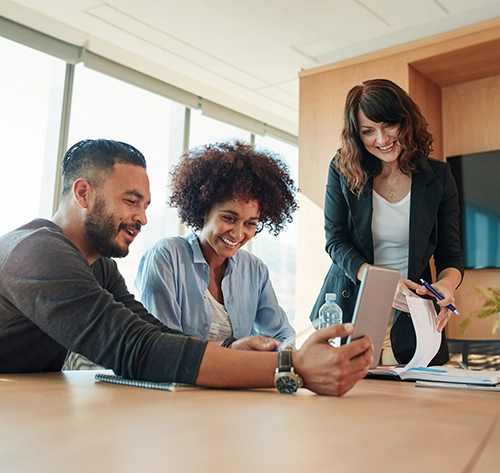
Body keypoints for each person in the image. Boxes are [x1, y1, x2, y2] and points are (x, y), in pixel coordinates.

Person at [0, 138, 373, 396]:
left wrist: (235, 356)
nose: (142, 218)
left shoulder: (99, 267)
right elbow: (136, 348)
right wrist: (292, 367)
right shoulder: (36, 251)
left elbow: (157, 333)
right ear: (83, 193)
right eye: (132, 202)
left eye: (145, 205)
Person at [310, 79, 464, 366]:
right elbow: (336, 240)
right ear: (357, 134)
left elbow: (450, 253)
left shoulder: (438, 177)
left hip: (412, 311)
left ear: (406, 121)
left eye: (388, 125)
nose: (381, 139)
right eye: (368, 131)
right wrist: (378, 283)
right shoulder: (343, 169)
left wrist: (446, 285)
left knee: (412, 405)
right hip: (351, 303)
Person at [134, 140, 296, 348]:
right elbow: (163, 345)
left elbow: (282, 335)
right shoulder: (167, 256)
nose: (238, 233)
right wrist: (229, 348)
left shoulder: (255, 271)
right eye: (229, 218)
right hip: (179, 380)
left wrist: (287, 350)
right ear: (203, 210)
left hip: (240, 380)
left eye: (250, 223)